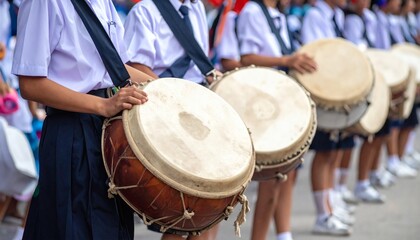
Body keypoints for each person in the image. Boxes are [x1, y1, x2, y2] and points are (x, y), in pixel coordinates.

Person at [11, 0, 151, 239]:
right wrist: (103, 105)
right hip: (71, 132)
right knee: (72, 228)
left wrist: (174, 92)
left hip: (108, 131)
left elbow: (116, 67)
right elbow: (30, 83)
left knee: (111, 227)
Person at [124, 0, 221, 239]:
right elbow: (135, 66)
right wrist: (176, 97)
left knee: (212, 201)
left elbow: (197, 60)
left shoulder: (196, 7)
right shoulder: (146, 10)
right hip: (161, 109)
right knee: (181, 211)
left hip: (196, 107)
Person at [236, 1, 316, 239]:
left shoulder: (277, 13)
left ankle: (284, 233)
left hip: (280, 98)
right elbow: (246, 57)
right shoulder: (252, 11)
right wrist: (286, 61)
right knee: (272, 178)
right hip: (260, 102)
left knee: (286, 174)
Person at [301, 0, 357, 236]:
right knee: (324, 153)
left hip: (336, 89)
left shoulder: (336, 15)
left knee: (332, 151)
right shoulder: (315, 15)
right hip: (324, 91)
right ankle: (322, 215)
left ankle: (330, 205)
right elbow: (317, 55)